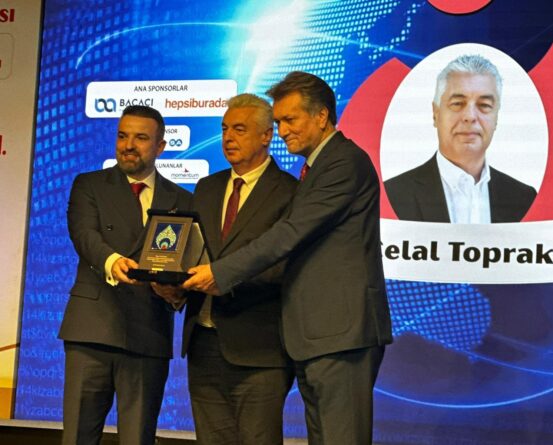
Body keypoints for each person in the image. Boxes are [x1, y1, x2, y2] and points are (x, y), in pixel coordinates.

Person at [182, 72, 393, 445]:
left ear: (322, 116)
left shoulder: (344, 162)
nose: (282, 131)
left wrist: (220, 273)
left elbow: (290, 232)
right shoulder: (317, 167)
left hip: (340, 334)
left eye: (290, 120)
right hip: (316, 337)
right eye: (278, 122)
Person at [156, 94, 297, 444]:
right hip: (203, 342)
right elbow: (195, 253)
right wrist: (176, 285)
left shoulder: (290, 192)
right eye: (224, 129)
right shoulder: (207, 187)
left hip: (260, 348)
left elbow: (286, 265)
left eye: (239, 129)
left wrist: (222, 278)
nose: (228, 138)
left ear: (266, 135)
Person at [58, 105, 192, 445]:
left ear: (161, 146)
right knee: (77, 437)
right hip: (92, 330)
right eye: (122, 136)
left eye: (140, 138)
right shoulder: (89, 185)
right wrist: (113, 261)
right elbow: (84, 235)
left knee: (138, 438)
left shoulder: (183, 200)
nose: (128, 145)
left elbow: (188, 264)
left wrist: (177, 294)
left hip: (149, 334)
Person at [384, 54, 537, 223]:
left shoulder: (524, 199)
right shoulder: (392, 195)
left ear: (496, 118)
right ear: (436, 114)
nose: (470, 116)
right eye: (457, 103)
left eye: (484, 105)